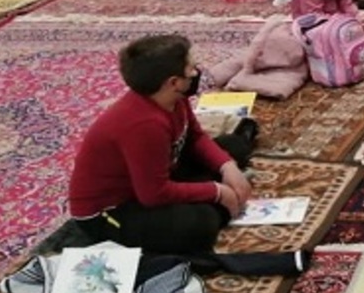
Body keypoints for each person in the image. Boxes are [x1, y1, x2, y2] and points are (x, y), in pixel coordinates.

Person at [68, 34, 256, 254]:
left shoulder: (173, 98)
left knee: (233, 147)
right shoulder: (144, 125)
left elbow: (195, 137)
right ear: (173, 82)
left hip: (151, 177)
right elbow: (154, 194)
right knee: (201, 223)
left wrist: (227, 166)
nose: (196, 72)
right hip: (113, 210)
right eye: (191, 68)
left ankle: (205, 194)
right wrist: (216, 192)